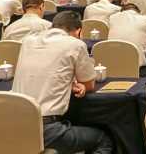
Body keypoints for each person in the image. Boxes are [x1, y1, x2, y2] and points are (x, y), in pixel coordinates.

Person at [12, 11, 113, 153]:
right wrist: (77, 83)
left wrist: (67, 82)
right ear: (78, 31)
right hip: (45, 128)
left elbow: (43, 71)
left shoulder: (28, 41)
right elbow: (89, 84)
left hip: (13, 122)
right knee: (103, 140)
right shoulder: (75, 44)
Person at [107, 3, 146, 75]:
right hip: (137, 72)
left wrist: (145, 40)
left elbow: (123, 35)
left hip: (111, 71)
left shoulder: (112, 18)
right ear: (139, 12)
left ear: (121, 12)